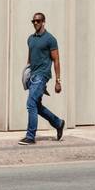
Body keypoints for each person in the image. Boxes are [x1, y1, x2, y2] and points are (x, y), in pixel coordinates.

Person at [19, 12, 63, 145]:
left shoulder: (50, 39)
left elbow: (56, 60)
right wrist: (26, 74)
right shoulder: (30, 39)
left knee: (30, 103)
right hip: (33, 76)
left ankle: (30, 136)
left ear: (43, 22)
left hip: (42, 76)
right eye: (33, 21)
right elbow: (30, 58)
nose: (35, 23)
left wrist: (58, 81)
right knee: (36, 106)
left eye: (38, 21)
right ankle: (58, 122)